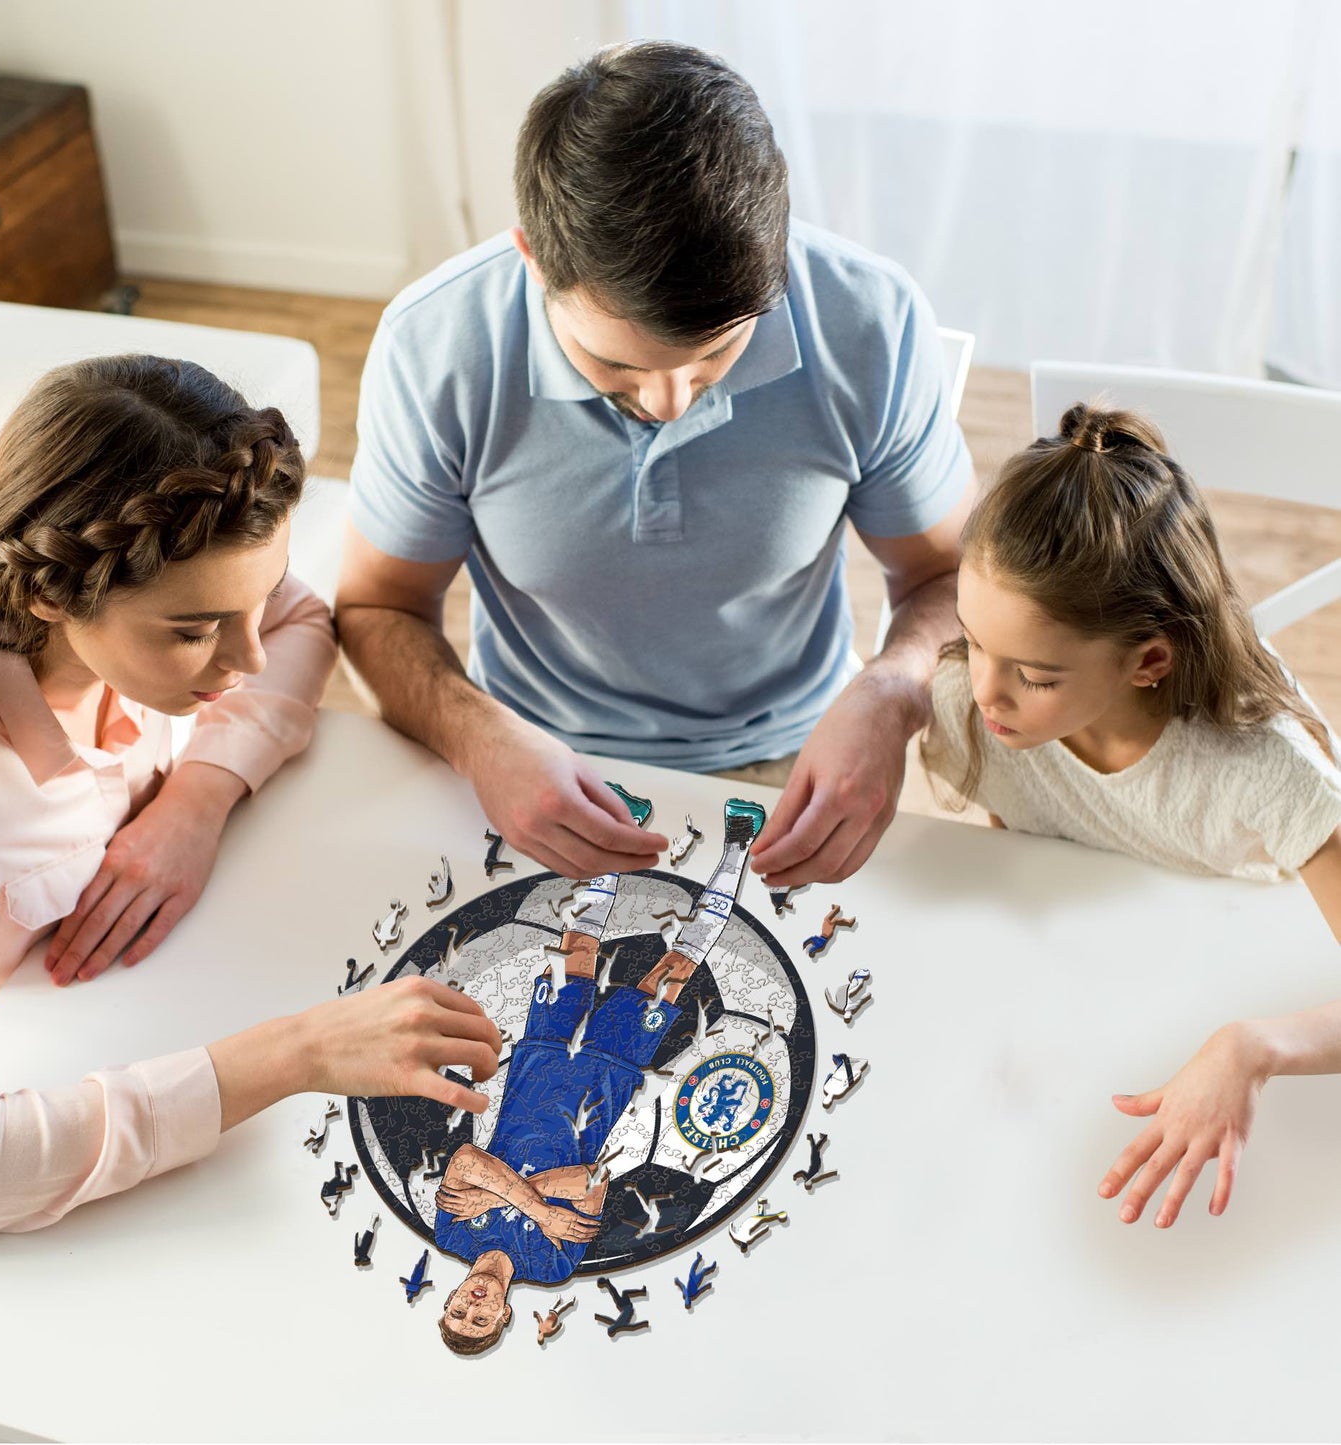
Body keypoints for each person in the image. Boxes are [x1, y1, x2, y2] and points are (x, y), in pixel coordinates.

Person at [336, 41, 975, 890]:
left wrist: (893, 694)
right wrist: (477, 738)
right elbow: (379, 604)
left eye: (714, 357)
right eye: (618, 367)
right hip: (525, 756)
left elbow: (948, 575)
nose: (671, 401)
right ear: (533, 259)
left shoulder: (869, 321)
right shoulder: (435, 347)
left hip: (797, 752)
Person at [0, 356, 501, 1250]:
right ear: (48, 592)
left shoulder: (143, 594)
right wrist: (297, 1053)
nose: (247, 661)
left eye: (249, 602)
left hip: (114, 1001)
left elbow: (300, 622)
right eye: (194, 631)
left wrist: (198, 796)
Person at [920, 402, 1341, 1229]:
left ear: (1149, 660)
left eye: (1033, 676)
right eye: (972, 641)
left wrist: (1249, 1048)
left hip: (1266, 984)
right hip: (1107, 978)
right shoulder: (974, 710)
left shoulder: (1266, 770)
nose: (983, 693)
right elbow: (1031, 841)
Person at [436, 798, 766, 1355]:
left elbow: (466, 1160)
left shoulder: (449, 1234)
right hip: (609, 1076)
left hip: (539, 1058)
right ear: (505, 1316)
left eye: (459, 1312)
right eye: (481, 1320)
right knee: (674, 968)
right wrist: (513, 1196)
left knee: (578, 944)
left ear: (450, 1299)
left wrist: (532, 1206)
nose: (474, 1305)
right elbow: (590, 1181)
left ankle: (621, 824)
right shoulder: (553, 1265)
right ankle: (738, 842)